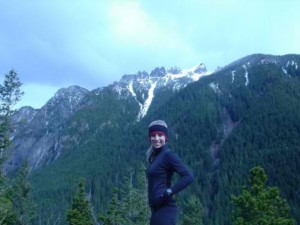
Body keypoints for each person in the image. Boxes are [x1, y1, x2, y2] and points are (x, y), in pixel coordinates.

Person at [146, 120, 194, 225]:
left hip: (165, 210)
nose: (156, 138)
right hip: (156, 211)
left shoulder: (168, 155)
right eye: (153, 135)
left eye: (160, 135)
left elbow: (188, 176)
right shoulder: (155, 156)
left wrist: (169, 192)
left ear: (165, 137)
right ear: (150, 138)